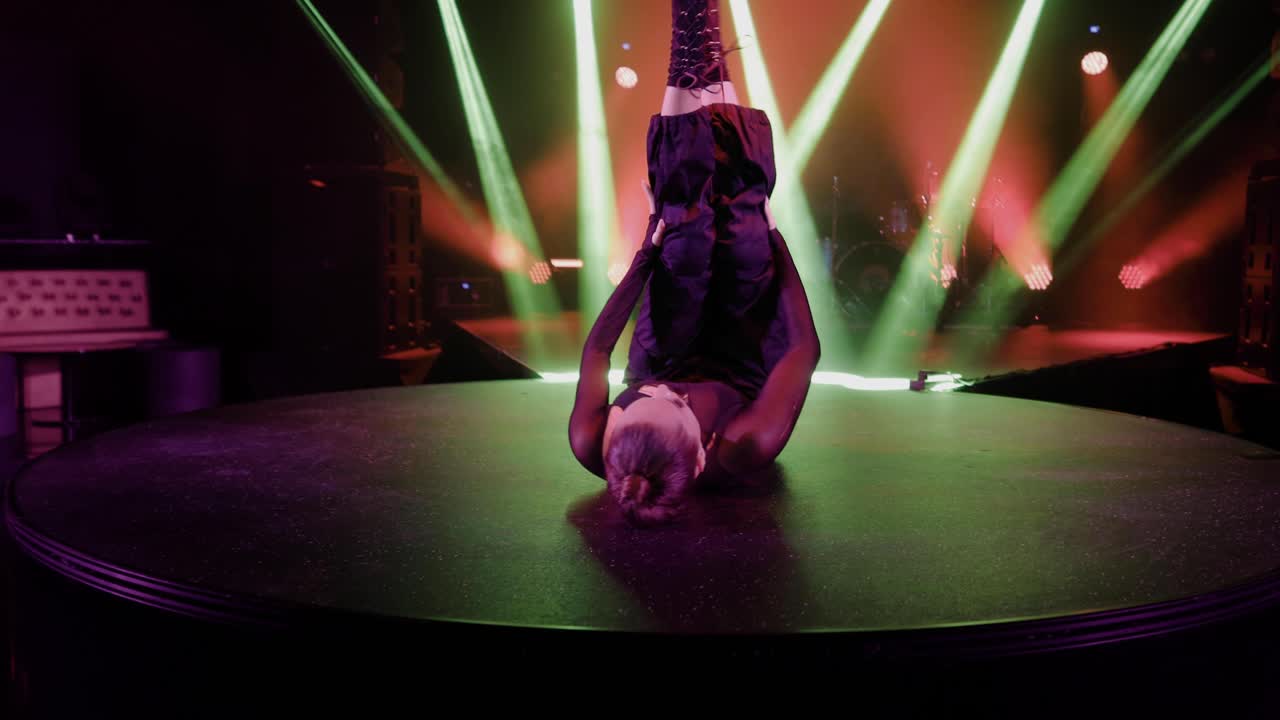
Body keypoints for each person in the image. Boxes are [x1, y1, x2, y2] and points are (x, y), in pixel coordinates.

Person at [568, 0, 820, 526]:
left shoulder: (592, 440)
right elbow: (804, 349)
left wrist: (648, 250)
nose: (669, 390)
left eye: (645, 398)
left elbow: (597, 350)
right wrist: (775, 235)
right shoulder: (748, 444)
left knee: (682, 234)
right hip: (743, 355)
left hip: (666, 348)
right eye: (678, 404)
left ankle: (691, 27)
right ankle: (709, 45)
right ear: (702, 456)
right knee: (744, 228)